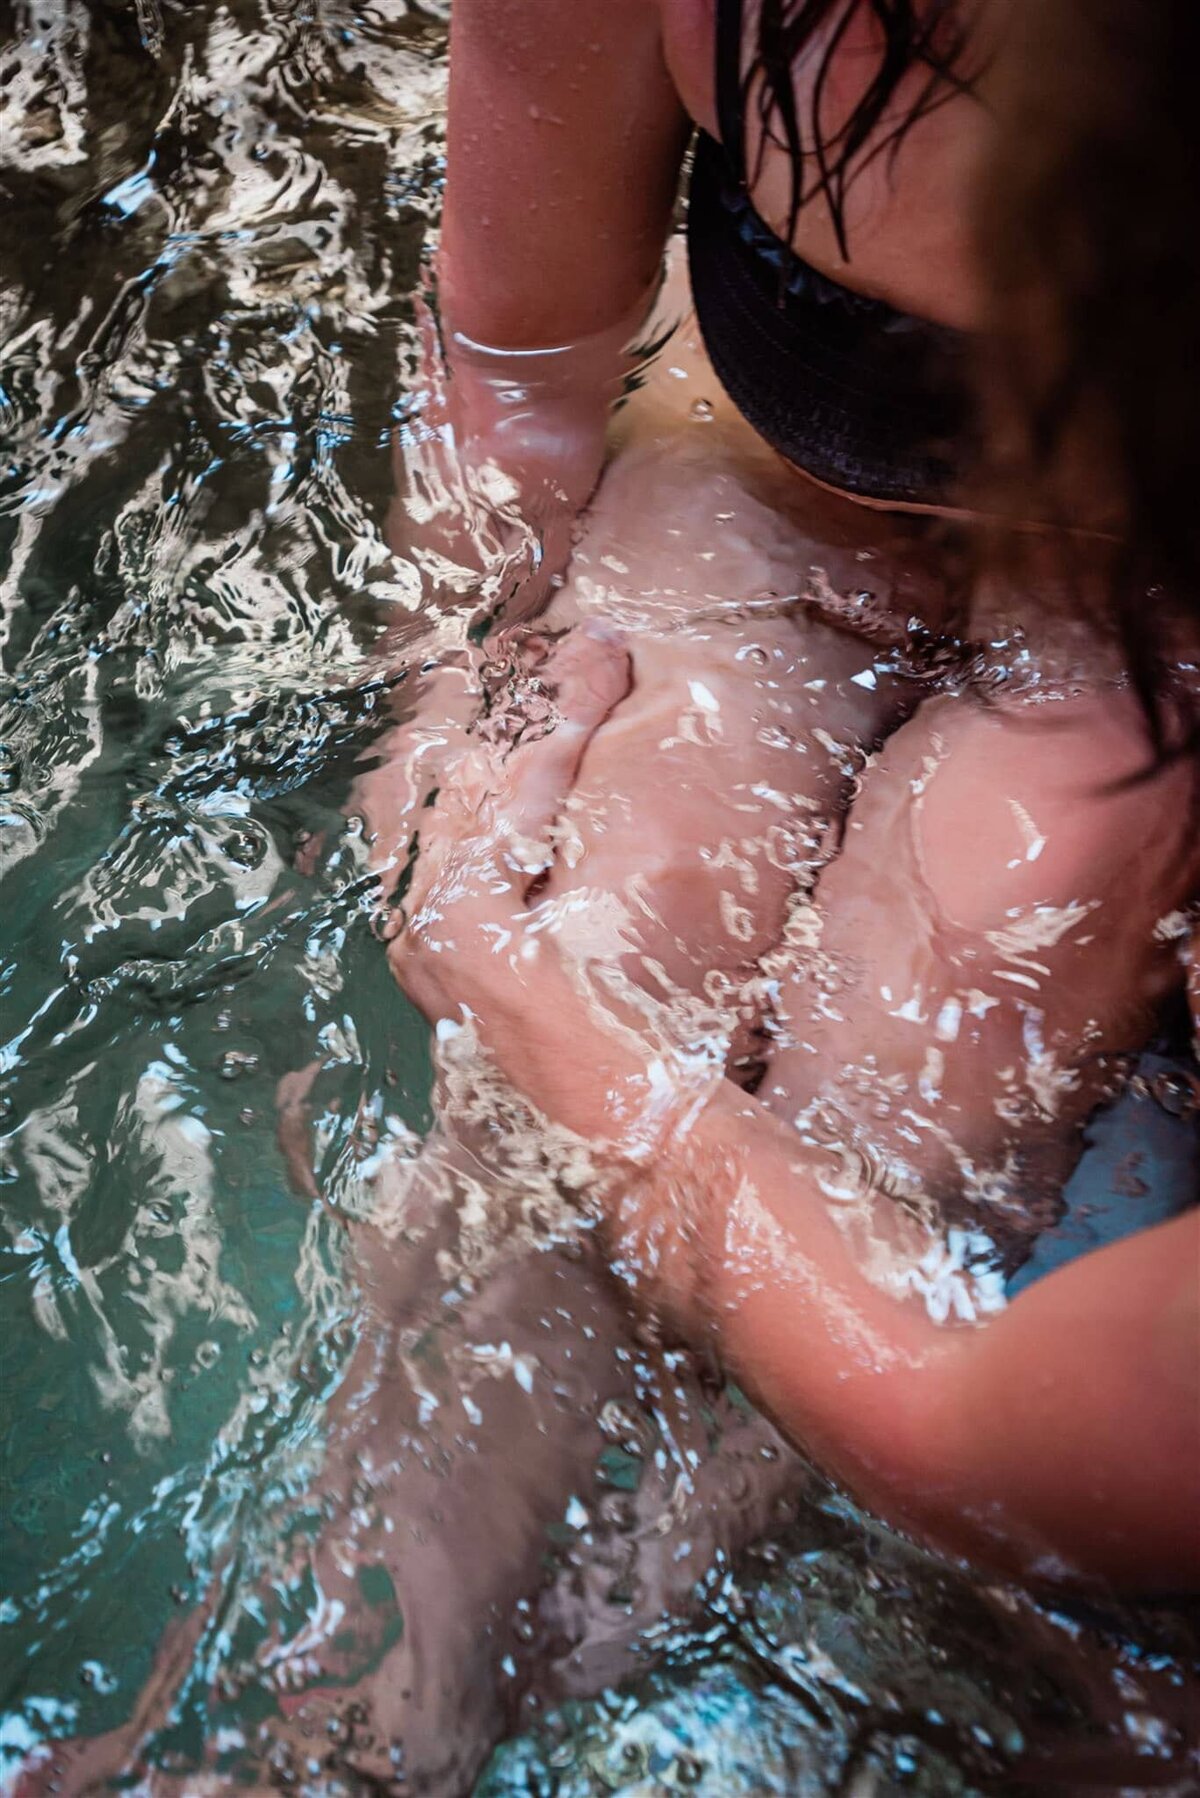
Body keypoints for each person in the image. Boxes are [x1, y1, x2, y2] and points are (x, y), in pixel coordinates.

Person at [385, 0, 1200, 1593]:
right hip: (776, 480)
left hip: (1158, 634)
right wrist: (454, 684)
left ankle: (646, 1587)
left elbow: (944, 1425)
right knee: (621, 903)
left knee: (935, 1017)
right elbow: (513, 352)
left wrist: (610, 1089)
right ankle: (359, 1698)